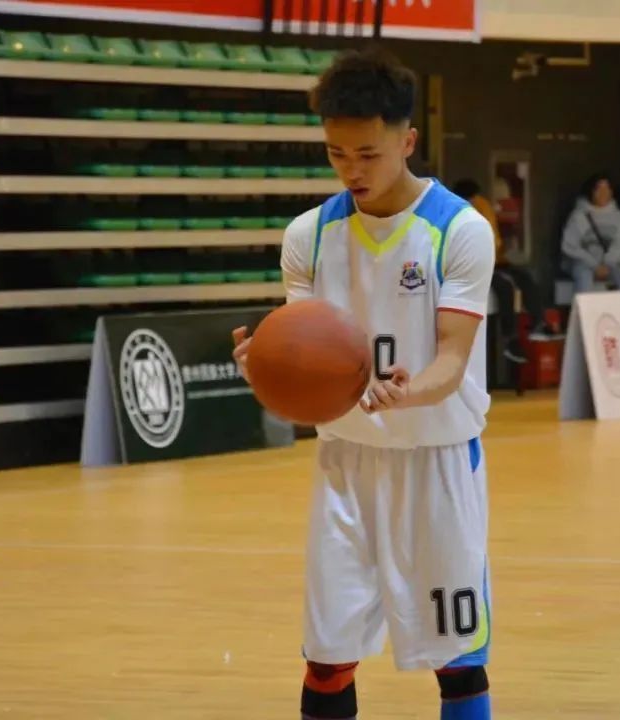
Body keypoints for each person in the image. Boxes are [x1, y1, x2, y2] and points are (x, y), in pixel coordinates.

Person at [232, 47, 494, 719]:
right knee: (327, 656)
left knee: (458, 658)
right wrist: (266, 365)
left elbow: (452, 359)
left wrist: (412, 390)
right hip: (346, 461)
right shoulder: (308, 235)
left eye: (368, 155)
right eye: (337, 154)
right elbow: (302, 351)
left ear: (408, 141)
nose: (352, 170)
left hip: (436, 461)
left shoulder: (460, 230)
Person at [452, 177, 547, 363]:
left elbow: (493, 238)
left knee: (524, 277)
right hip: (470, 265)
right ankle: (510, 340)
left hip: (493, 259)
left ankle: (538, 324)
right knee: (504, 286)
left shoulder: (482, 206)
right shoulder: (454, 212)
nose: (474, 201)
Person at [560, 174, 620, 294]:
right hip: (584, 263)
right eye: (599, 189)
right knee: (584, 277)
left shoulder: (618, 216)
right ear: (591, 191)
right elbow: (569, 245)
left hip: (609, 263)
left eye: (607, 189)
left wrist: (606, 264)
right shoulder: (579, 216)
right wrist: (594, 265)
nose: (603, 193)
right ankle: (584, 307)